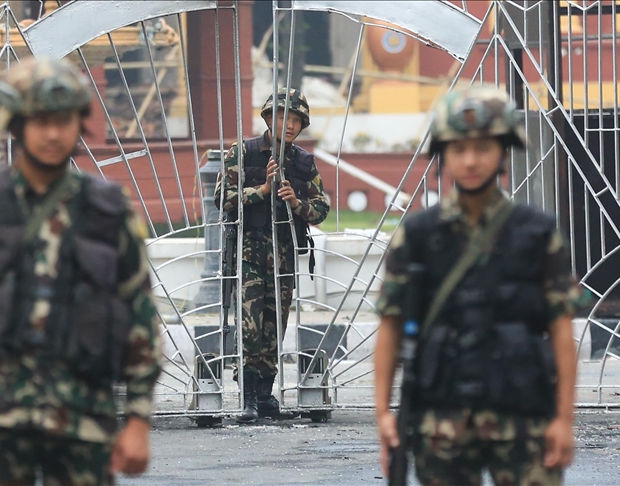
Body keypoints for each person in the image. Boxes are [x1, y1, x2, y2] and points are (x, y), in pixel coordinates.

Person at [0, 57, 162, 485]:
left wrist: (137, 420)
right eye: (40, 121)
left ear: (80, 122)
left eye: (63, 120)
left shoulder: (109, 212)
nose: (53, 133)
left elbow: (141, 318)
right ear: (16, 124)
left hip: (84, 421)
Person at [374, 85, 583, 486]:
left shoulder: (537, 233)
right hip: (443, 423)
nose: (470, 161)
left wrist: (563, 419)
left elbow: (561, 329)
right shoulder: (418, 235)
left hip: (525, 420)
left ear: (503, 151)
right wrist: (383, 414)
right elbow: (390, 326)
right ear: (444, 154)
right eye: (458, 149)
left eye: (483, 148)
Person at [215, 88, 330, 424]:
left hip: (282, 255)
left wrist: (296, 203)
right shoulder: (245, 152)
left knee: (274, 326)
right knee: (250, 326)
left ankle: (265, 395)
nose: (290, 125)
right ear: (269, 119)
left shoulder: (304, 163)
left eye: (296, 120)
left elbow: (320, 208)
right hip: (249, 251)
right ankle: (247, 396)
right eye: (283, 118)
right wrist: (262, 191)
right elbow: (223, 198)